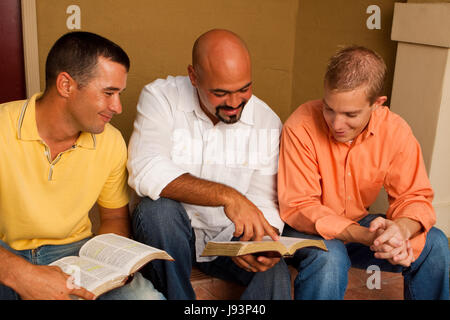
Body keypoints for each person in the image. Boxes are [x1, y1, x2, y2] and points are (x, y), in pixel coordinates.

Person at [128, 29, 291, 300]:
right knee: (157, 210)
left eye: (244, 89)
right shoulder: (160, 97)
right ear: (193, 76)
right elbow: (146, 168)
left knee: (274, 271)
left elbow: (266, 202)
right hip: (170, 235)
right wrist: (227, 196)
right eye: (220, 93)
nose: (235, 103)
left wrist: (261, 244)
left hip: (227, 241)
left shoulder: (266, 121)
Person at [0, 31, 164, 300]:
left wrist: (110, 265)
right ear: (66, 85)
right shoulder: (2, 126)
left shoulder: (110, 141)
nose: (118, 107)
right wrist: (22, 274)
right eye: (109, 93)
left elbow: (113, 218)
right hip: (5, 253)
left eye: (119, 94)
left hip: (73, 252)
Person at [278, 45, 449, 300]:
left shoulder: (395, 131)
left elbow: (414, 198)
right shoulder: (300, 125)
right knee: (330, 257)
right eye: (329, 109)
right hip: (304, 230)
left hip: (360, 229)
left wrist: (399, 231)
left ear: (377, 105)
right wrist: (366, 236)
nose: (336, 124)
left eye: (350, 114)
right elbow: (299, 206)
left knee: (435, 244)